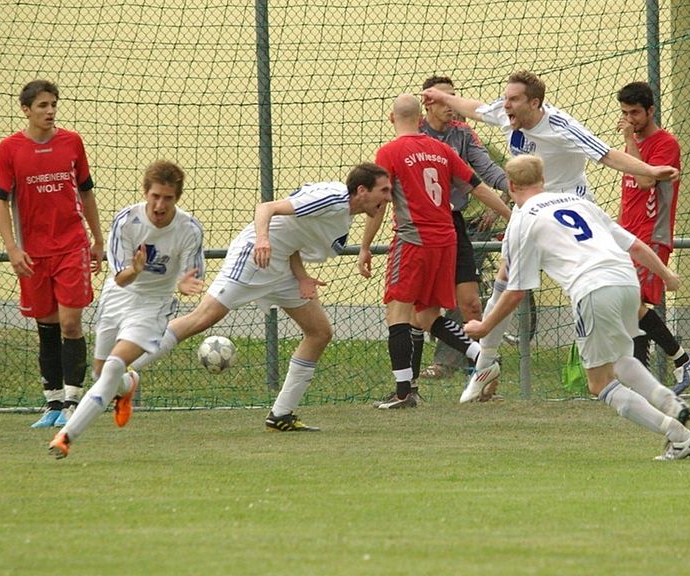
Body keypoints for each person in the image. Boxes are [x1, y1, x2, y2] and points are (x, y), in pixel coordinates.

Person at [422, 70, 680, 383]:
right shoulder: (506, 115)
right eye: (505, 98)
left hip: (571, 209)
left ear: (535, 103)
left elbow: (607, 155)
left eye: (514, 99)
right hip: (530, 209)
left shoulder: (561, 126)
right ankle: (485, 363)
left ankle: (663, 361)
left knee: (607, 285)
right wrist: (444, 97)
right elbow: (475, 108)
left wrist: (650, 169)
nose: (506, 105)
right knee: (506, 279)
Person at [120, 162, 394, 431]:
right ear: (362, 190)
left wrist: (301, 277)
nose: (388, 197)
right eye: (384, 191)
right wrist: (262, 240)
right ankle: (123, 369)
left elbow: (293, 235)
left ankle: (281, 414)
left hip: (282, 265)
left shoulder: (343, 215)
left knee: (319, 332)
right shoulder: (332, 199)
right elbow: (268, 208)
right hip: (255, 256)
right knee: (203, 318)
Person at [463, 155, 690, 461]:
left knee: (599, 383)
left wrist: (484, 328)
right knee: (619, 360)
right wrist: (666, 274)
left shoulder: (522, 219)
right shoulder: (575, 201)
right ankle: (671, 404)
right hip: (626, 281)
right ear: (543, 180)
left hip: (593, 288)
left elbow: (515, 292)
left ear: (510, 185)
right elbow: (635, 246)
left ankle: (678, 436)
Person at [358, 94, 511, 409]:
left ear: (391, 118)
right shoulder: (442, 150)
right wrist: (513, 216)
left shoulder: (389, 151)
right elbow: (478, 186)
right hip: (447, 241)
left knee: (397, 313)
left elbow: (379, 205)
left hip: (413, 241)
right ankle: (482, 357)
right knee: (426, 315)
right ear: (419, 119)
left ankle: (403, 393)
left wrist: (364, 246)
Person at [49, 161, 205, 458]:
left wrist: (186, 284)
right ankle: (128, 386)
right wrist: (135, 269)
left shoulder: (189, 229)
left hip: (153, 305)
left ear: (177, 198)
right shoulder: (126, 221)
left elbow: (191, 273)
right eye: (155, 196)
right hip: (119, 296)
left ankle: (66, 436)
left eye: (168, 198)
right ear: (146, 192)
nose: (160, 205)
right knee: (101, 374)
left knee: (113, 365)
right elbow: (121, 279)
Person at [0, 80, 104, 429]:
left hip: (71, 247)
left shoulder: (72, 142)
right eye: (42, 105)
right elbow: (0, 202)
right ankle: (52, 402)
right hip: (34, 254)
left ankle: (73, 402)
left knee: (70, 323)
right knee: (47, 325)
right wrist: (13, 248)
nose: (50, 111)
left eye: (53, 104)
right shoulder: (9, 149)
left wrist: (97, 239)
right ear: (26, 109)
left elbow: (86, 193)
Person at [418, 75, 509, 380]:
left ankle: (480, 369)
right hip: (423, 227)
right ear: (428, 102)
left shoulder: (464, 134)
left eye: (456, 97)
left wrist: (519, 189)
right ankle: (410, 380)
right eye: (446, 98)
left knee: (469, 302)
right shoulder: (414, 135)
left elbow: (488, 171)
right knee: (424, 309)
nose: (453, 105)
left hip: (456, 225)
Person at [616, 82, 690, 394]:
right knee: (629, 304)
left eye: (635, 112)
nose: (629, 119)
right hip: (629, 235)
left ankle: (681, 358)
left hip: (653, 234)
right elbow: (629, 196)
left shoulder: (666, 143)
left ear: (650, 110)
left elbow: (645, 181)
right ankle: (643, 380)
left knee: (631, 301)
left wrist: (628, 141)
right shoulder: (633, 144)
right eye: (624, 113)